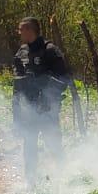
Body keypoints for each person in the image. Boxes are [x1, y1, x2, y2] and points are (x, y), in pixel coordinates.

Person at [12, 17, 69, 181]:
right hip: (28, 109)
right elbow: (17, 83)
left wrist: (48, 98)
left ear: (30, 30)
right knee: (29, 145)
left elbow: (64, 79)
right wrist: (16, 114)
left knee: (53, 143)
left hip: (47, 109)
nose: (19, 33)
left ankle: (64, 178)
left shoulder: (50, 50)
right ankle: (30, 181)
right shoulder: (21, 52)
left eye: (21, 30)